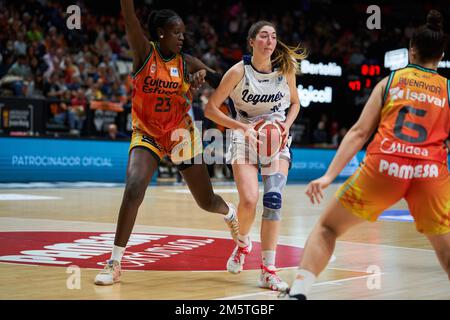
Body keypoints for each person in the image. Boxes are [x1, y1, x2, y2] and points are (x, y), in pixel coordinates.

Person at [287, 10, 449, 299]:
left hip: (385, 167)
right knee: (446, 255)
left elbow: (359, 133)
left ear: (411, 50)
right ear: (441, 53)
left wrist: (327, 177)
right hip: (429, 174)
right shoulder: (448, 89)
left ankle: (297, 293)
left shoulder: (389, 82)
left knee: (326, 228)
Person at [94, 0, 239, 286]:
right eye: (176, 32)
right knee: (134, 188)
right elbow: (128, 17)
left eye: (183, 32)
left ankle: (230, 213)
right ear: (160, 33)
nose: (182, 37)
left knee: (206, 201)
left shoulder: (186, 62)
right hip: (147, 132)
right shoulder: (144, 53)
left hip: (180, 135)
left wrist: (203, 76)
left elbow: (221, 80)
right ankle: (114, 262)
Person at [205, 21, 305, 291]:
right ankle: (242, 244)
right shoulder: (238, 72)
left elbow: (295, 103)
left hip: (276, 138)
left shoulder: (286, 70)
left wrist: (285, 125)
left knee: (273, 200)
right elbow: (211, 109)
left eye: (273, 36)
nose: (269, 41)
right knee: (249, 200)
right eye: (263, 36)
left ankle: (268, 271)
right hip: (244, 136)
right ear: (252, 42)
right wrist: (242, 127)